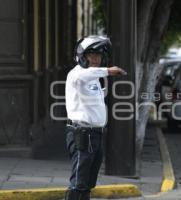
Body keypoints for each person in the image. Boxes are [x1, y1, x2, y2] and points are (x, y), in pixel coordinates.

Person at [64, 35, 127, 200]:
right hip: (82, 134)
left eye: (98, 55)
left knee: (88, 183)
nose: (95, 59)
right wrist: (108, 70)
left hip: (96, 134)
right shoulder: (76, 75)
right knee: (78, 183)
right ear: (82, 56)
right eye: (91, 54)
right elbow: (87, 74)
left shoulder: (95, 79)